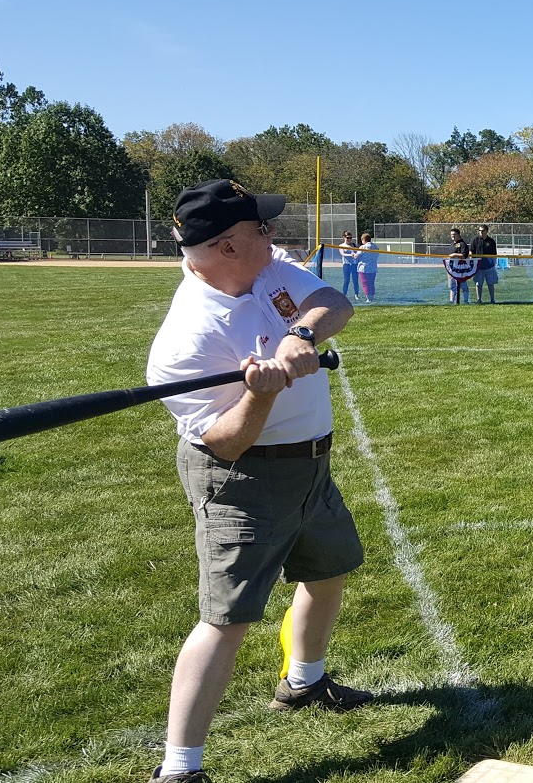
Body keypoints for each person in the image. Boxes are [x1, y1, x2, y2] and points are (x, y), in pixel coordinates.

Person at [145, 179, 372, 783]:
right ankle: (179, 769)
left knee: (327, 571)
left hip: (310, 464)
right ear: (224, 246)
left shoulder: (270, 270)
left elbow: (334, 302)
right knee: (227, 618)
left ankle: (304, 682)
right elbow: (224, 441)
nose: (273, 235)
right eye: (261, 229)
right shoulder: (186, 342)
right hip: (242, 477)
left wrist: (300, 334)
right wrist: (259, 395)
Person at [474, 225, 499, 304]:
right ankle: (479, 300)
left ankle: (492, 299)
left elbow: (494, 254)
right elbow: (471, 251)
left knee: (490, 284)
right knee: (478, 284)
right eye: (479, 230)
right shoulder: (475, 240)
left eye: (483, 230)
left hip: (489, 267)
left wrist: (493, 264)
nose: (481, 232)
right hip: (479, 267)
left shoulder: (491, 241)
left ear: (486, 231)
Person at [447, 228, 471, 304]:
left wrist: (454, 254)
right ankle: (451, 301)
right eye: (451, 235)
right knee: (452, 285)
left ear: (458, 235)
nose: (452, 236)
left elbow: (464, 255)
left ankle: (466, 301)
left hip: (461, 268)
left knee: (463, 285)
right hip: (452, 268)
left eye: (454, 234)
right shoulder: (451, 244)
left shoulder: (463, 244)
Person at [356, 232, 379, 303]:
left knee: (365, 283)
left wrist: (353, 254)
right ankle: (372, 297)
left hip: (364, 268)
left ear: (364, 240)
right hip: (373, 268)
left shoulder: (362, 247)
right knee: (371, 283)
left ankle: (368, 298)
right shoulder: (375, 247)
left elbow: (357, 256)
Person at [337, 231, 360, 300]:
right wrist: (351, 255)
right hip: (346, 265)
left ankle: (356, 295)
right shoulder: (341, 246)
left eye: (350, 238)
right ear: (344, 237)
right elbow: (342, 254)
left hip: (354, 264)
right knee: (346, 280)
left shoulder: (354, 245)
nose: (349, 239)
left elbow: (358, 252)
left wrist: (357, 255)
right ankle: (344, 295)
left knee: (355, 280)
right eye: (347, 238)